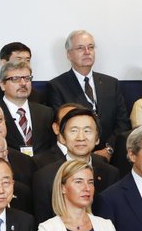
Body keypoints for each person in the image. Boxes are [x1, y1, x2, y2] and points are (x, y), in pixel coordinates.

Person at [45, 30, 129, 159]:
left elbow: (123, 123)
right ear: (69, 54)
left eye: (91, 47)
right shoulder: (57, 86)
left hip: (112, 156)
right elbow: (62, 127)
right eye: (80, 48)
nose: (87, 52)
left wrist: (109, 149)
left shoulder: (111, 84)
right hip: (75, 158)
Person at [32, 107, 121, 223]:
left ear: (97, 138)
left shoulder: (110, 173)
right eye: (74, 131)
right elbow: (42, 221)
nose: (81, 137)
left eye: (87, 131)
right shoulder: (45, 177)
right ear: (62, 138)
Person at [0, 59, 55, 155]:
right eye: (15, 79)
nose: (23, 83)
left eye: (27, 78)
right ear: (2, 85)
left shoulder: (46, 113)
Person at [0, 42, 46, 107]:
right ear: (3, 63)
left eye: (27, 60)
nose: (23, 64)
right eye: (19, 60)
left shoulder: (36, 96)